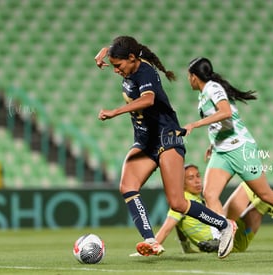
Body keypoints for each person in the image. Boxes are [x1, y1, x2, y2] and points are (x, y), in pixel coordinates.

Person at [94, 36, 237, 259]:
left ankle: (224, 226)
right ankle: (151, 241)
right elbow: (121, 52)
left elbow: (148, 100)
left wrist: (115, 112)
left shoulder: (145, 73)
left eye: (118, 66)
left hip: (166, 137)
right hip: (144, 140)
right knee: (127, 186)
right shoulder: (129, 64)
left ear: (132, 58)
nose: (116, 71)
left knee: (178, 203)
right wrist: (105, 50)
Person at [183, 57, 273, 252]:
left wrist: (195, 124)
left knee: (265, 194)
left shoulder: (212, 87)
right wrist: (212, 143)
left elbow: (225, 112)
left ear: (194, 77)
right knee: (210, 194)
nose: (188, 79)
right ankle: (221, 236)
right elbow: (220, 122)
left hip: (241, 149)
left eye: (188, 76)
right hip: (222, 151)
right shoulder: (203, 94)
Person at [130, 164, 273, 256]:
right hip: (223, 240)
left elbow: (178, 227)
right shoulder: (182, 203)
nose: (197, 180)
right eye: (190, 178)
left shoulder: (190, 202)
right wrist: (151, 245)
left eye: (198, 175)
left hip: (233, 236)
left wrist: (187, 249)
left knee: (260, 198)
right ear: (180, 183)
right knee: (249, 187)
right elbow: (168, 227)